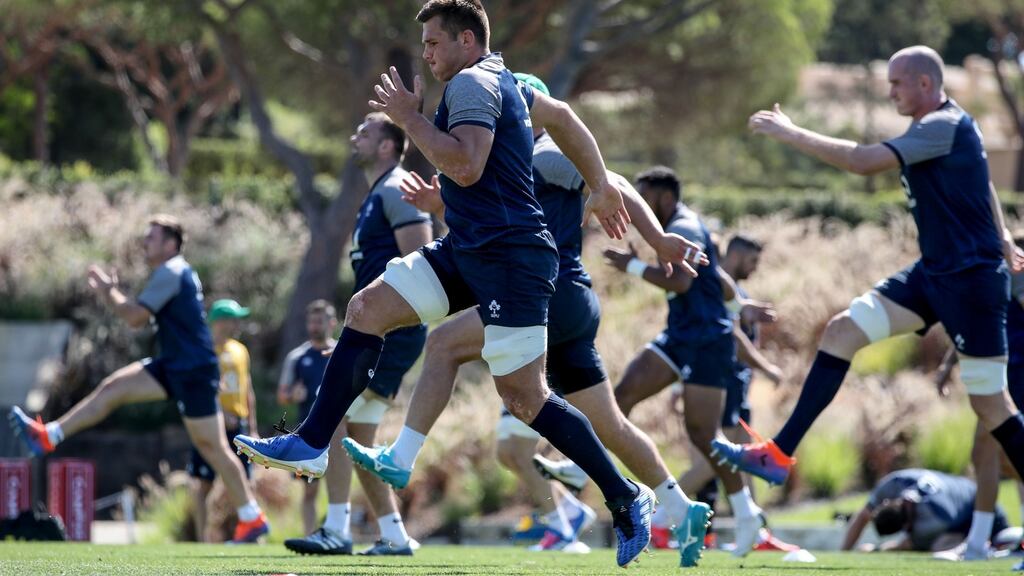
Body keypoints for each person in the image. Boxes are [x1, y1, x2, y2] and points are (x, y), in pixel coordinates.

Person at [230, 1, 701, 566]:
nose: (426, 54)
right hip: (469, 251)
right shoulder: (507, 81)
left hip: (512, 260)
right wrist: (598, 184)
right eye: (424, 44)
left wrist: (410, 121)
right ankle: (310, 443)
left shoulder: (474, 83)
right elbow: (566, 118)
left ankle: (627, 497)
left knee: (525, 398)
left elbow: (468, 165)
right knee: (365, 309)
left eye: (434, 43)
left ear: (468, 42)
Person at [344, 73, 712, 566]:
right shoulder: (512, 161)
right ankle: (678, 505)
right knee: (608, 424)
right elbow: (495, 228)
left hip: (550, 295)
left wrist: (660, 241)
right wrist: (443, 205)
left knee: (445, 344)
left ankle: (402, 457)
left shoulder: (546, 152)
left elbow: (615, 184)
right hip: (569, 302)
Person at [711, 47, 1024, 563]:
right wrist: (1006, 235)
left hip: (972, 283)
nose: (890, 92)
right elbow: (986, 184)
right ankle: (778, 454)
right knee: (840, 331)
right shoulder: (942, 129)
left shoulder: (943, 124)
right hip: (934, 275)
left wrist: (789, 132)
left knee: (993, 408)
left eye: (897, 83)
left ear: (925, 83)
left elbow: (861, 163)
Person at [9, 214, 269, 543]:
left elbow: (134, 317)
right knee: (114, 388)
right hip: (176, 364)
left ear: (170, 244)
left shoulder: (172, 270)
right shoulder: (171, 272)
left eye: (151, 238)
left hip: (193, 369)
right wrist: (112, 292)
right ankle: (49, 434)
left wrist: (108, 292)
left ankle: (251, 516)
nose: (145, 243)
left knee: (214, 447)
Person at [282, 112, 433, 557]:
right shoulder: (376, 193)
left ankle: (337, 529)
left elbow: (423, 260)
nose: (354, 136)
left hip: (394, 331)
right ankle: (394, 536)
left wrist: (381, 328)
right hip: (379, 330)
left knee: (334, 417)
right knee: (356, 435)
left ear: (388, 145)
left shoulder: (396, 187)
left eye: (364, 132)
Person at [604, 166, 767, 557]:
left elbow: (682, 282)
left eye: (644, 196)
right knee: (621, 394)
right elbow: (722, 282)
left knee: (704, 435)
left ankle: (747, 515)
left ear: (663, 197)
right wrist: (740, 305)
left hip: (708, 341)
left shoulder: (685, 227)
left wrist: (633, 267)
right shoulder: (685, 227)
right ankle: (581, 472)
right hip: (680, 335)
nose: (639, 204)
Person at [653, 235, 789, 551]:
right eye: (753, 261)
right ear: (737, 256)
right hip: (722, 386)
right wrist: (768, 368)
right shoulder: (719, 290)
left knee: (742, 455)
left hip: (734, 387)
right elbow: (734, 340)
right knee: (718, 458)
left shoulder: (733, 293)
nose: (755, 268)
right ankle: (658, 520)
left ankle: (755, 531)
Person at [932, 233, 1024, 560]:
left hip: (1014, 376)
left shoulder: (1013, 274)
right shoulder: (992, 277)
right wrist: (945, 369)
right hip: (1002, 375)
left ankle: (977, 544)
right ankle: (981, 541)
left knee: (989, 451)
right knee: (988, 454)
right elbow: (977, 329)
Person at [191, 298, 258, 542]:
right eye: (233, 319)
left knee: (246, 481)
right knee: (203, 484)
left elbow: (247, 388)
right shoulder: (203, 349)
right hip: (210, 424)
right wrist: (220, 413)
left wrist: (252, 426)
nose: (237, 324)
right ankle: (202, 539)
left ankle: (251, 533)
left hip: (238, 426)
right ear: (219, 322)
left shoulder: (240, 350)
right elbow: (199, 388)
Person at [277, 300, 337, 540]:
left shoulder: (341, 351)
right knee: (310, 491)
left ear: (331, 323)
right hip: (309, 432)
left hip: (340, 430)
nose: (314, 326)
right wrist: (293, 395)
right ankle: (310, 537)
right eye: (311, 321)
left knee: (338, 488)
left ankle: (336, 535)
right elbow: (282, 395)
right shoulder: (298, 356)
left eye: (319, 321)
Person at [841, 469, 1008, 554]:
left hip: (987, 514)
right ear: (887, 503)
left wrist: (876, 550)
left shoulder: (930, 522)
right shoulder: (894, 483)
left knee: (939, 548)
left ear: (905, 526)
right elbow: (864, 515)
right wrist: (845, 552)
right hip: (971, 493)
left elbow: (906, 545)